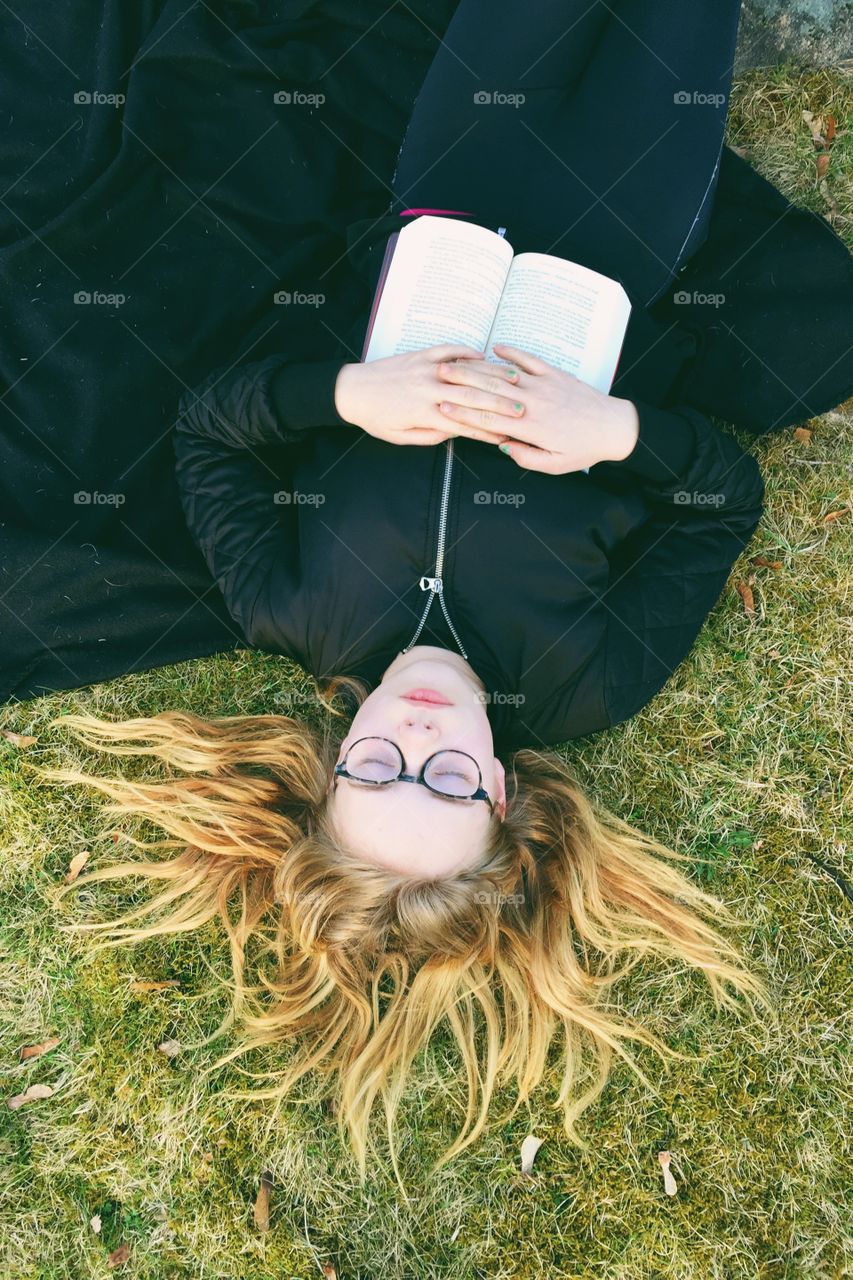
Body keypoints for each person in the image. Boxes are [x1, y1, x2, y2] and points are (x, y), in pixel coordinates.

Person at [39, 0, 852, 1189]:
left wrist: (349, 399)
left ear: (329, 763)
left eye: (374, 772)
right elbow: (723, 498)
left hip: (447, 215)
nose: (416, 739)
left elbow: (208, 429)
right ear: (505, 790)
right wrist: (612, 430)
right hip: (614, 252)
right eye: (450, 780)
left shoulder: (288, 607)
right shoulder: (586, 678)